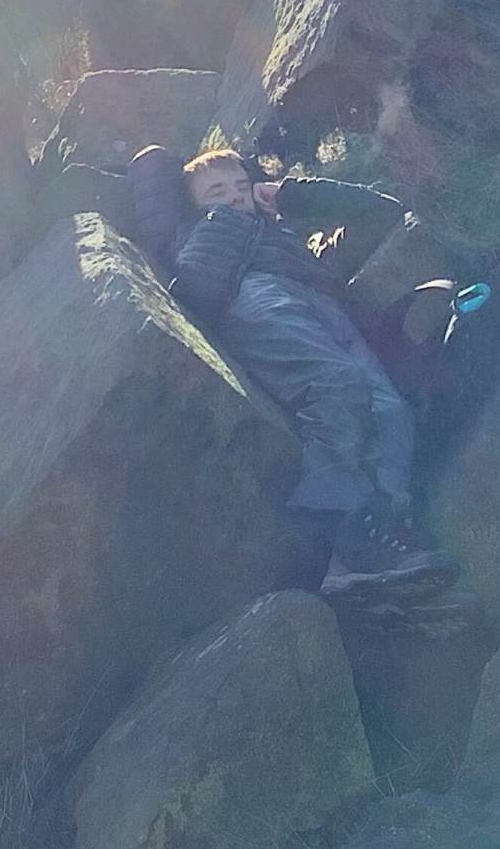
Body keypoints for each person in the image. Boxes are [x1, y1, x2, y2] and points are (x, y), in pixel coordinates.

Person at [128, 144, 459, 606]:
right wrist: (211, 206)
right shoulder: (191, 232)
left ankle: (381, 536)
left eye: (241, 186)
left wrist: (290, 194)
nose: (235, 196)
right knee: (336, 387)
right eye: (217, 191)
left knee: (391, 410)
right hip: (250, 294)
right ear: (192, 204)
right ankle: (338, 545)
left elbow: (382, 210)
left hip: (321, 302)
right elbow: (153, 177)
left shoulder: (282, 231)